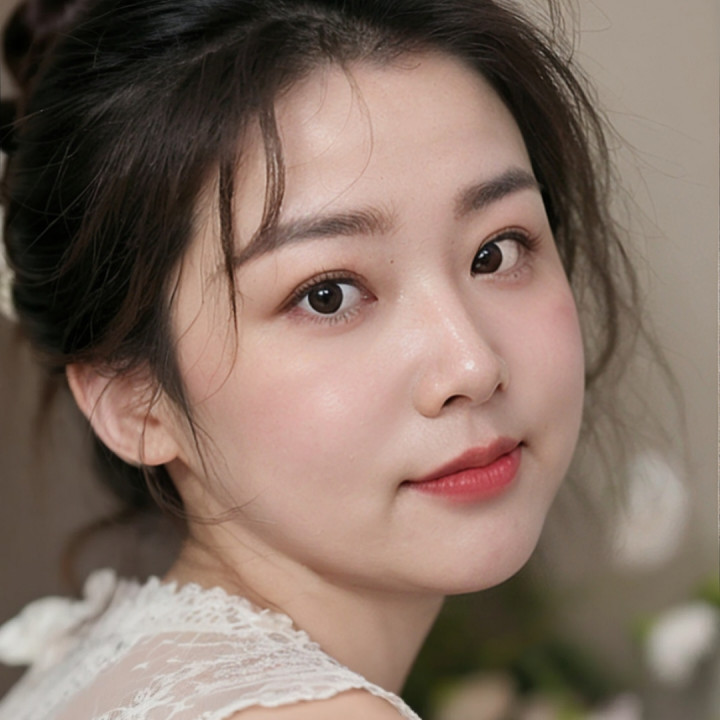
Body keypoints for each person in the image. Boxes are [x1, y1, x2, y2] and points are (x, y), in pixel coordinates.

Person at [0, 0, 638, 717]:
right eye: (328, 295)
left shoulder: (111, 671)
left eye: (496, 252)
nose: (471, 366)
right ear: (133, 398)